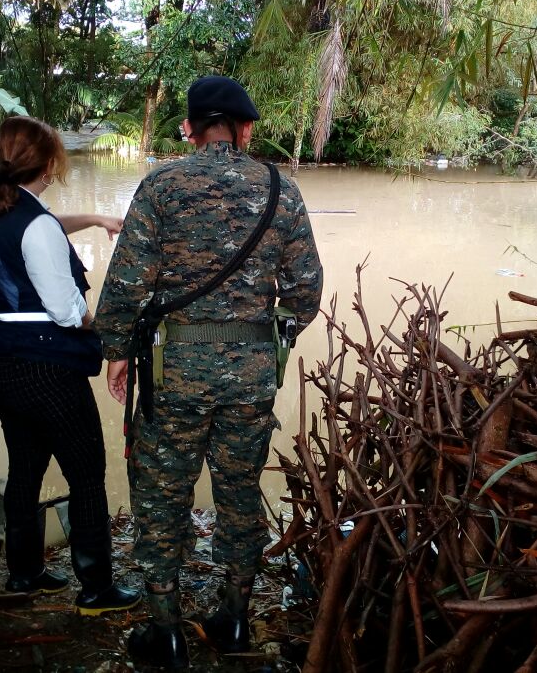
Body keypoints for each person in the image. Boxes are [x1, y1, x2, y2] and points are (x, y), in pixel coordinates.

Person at [94, 76, 323, 669]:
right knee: (240, 493)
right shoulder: (282, 189)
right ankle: (236, 619)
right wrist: (271, 344)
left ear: (191, 128)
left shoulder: (162, 186)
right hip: (250, 377)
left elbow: (125, 281)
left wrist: (117, 349)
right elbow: (306, 291)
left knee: (162, 494)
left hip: (175, 376)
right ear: (245, 130)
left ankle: (166, 631)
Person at [0, 115, 140, 616]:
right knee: (86, 475)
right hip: (44, 373)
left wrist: (95, 219)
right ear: (50, 163)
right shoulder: (32, 224)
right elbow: (65, 311)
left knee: (25, 465)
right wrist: (102, 325)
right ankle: (97, 589)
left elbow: (38, 230)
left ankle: (24, 573)